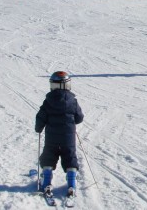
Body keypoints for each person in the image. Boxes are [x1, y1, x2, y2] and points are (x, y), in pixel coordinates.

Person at [35, 71, 84, 199]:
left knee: (48, 156)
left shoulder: (48, 101)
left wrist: (39, 127)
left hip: (52, 137)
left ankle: (46, 181)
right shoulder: (73, 101)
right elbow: (79, 118)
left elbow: (41, 116)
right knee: (70, 157)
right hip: (68, 137)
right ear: (67, 85)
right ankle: (71, 183)